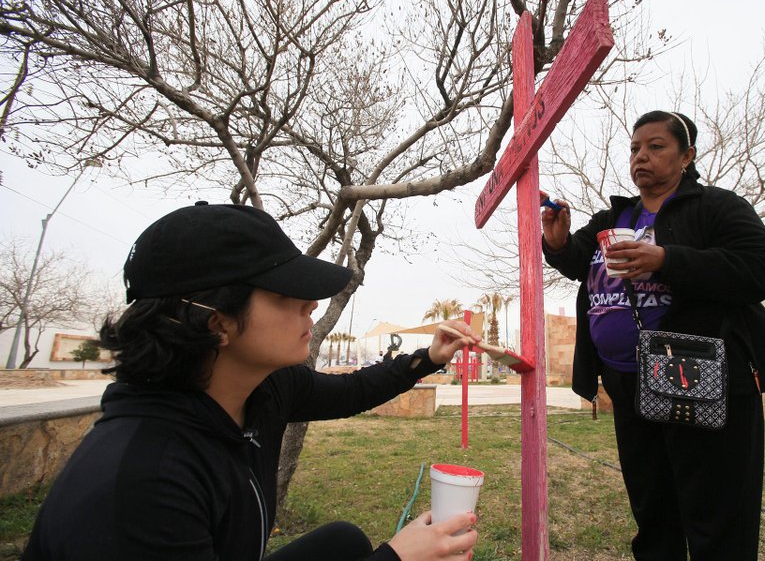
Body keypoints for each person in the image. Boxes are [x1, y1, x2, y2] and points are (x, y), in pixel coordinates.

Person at [23, 202, 480, 561]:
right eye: (286, 294)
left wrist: (429, 357)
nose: (311, 306)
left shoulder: (265, 388)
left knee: (341, 542)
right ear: (215, 322)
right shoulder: (145, 482)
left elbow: (351, 391)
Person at [541, 111, 765, 560]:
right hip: (628, 382)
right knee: (654, 512)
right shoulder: (616, 215)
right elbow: (582, 263)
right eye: (635, 148)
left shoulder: (716, 207)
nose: (641, 156)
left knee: (716, 515)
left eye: (656, 147)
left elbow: (762, 270)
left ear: (686, 155)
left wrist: (666, 260)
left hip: (698, 376)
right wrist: (558, 245)